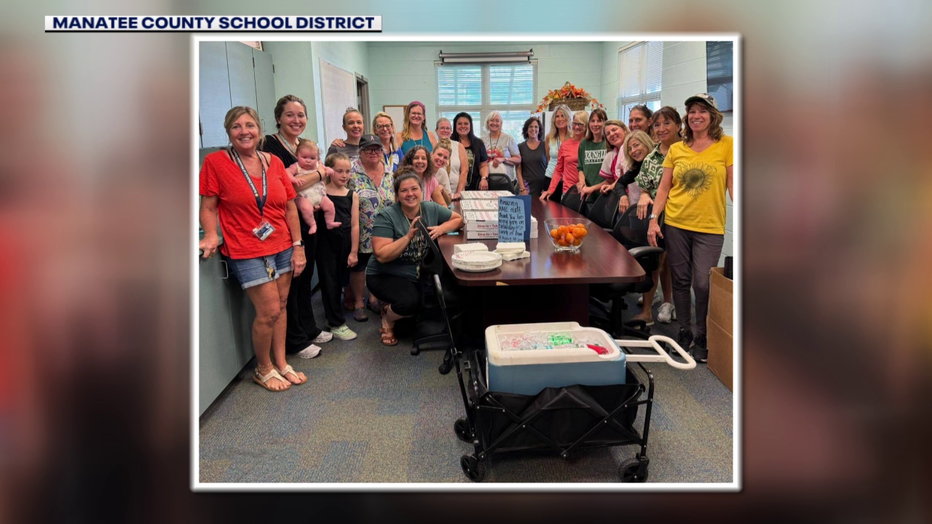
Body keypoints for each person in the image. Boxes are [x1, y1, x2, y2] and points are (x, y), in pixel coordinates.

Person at [199, 106, 307, 391]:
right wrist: (211, 234)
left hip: (282, 243)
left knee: (281, 306)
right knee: (269, 310)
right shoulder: (216, 162)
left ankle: (281, 363)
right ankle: (263, 367)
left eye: (249, 125)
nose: (244, 131)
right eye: (236, 126)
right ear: (228, 131)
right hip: (245, 248)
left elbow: (289, 206)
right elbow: (208, 206)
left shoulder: (273, 162)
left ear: (259, 130)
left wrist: (298, 246)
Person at [647, 94, 734, 363]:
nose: (696, 116)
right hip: (676, 224)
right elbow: (664, 188)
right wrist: (653, 218)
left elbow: (733, 183)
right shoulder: (677, 149)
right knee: (681, 281)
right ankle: (684, 332)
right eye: (691, 111)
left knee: (702, 283)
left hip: (709, 226)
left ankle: (703, 334)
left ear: (712, 116)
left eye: (702, 111)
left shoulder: (726, 145)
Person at [260, 95, 331, 359]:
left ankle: (308, 327)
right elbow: (287, 186)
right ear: (278, 118)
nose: (296, 120)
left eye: (300, 115)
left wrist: (319, 174)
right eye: (290, 115)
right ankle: (295, 340)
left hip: (307, 222)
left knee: (305, 278)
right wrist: (321, 174)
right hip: (286, 224)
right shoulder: (270, 145)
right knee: (291, 283)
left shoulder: (302, 145)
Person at [366, 170, 464, 346]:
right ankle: (387, 316)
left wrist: (441, 228)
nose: (410, 194)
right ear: (397, 195)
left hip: (414, 273)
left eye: (414, 189)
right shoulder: (386, 216)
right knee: (409, 303)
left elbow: (458, 220)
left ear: (421, 190)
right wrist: (407, 237)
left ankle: (400, 310)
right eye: (404, 190)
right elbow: (381, 256)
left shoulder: (429, 207)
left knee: (407, 329)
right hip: (385, 274)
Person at [634, 106, 684, 325]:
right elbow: (645, 185)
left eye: (667, 123)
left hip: (682, 216)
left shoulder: (688, 151)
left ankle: (668, 302)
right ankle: (647, 312)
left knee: (673, 264)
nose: (661, 129)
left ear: (678, 125)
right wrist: (644, 195)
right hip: (656, 216)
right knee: (654, 262)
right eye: (657, 125)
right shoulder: (651, 158)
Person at [346, 134, 394, 321]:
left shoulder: (389, 170)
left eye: (377, 149)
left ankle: (374, 298)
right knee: (359, 267)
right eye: (369, 149)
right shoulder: (352, 172)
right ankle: (359, 302)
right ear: (361, 152)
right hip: (361, 229)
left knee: (382, 264)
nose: (374, 153)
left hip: (386, 230)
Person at [315, 153, 359, 340]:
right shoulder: (321, 192)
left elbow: (356, 225)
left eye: (347, 171)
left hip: (346, 242)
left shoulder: (352, 195)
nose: (344, 175)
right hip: (325, 243)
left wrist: (354, 251)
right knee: (329, 281)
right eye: (339, 171)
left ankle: (333, 313)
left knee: (341, 280)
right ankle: (336, 323)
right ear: (329, 170)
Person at [288, 139, 340, 235]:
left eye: (312, 158)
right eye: (304, 157)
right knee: (306, 208)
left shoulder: (318, 165)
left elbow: (327, 169)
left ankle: (329, 222)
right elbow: (286, 173)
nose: (308, 161)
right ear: (297, 155)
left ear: (317, 158)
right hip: (303, 196)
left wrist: (329, 170)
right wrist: (293, 179)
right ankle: (312, 224)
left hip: (319, 195)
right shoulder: (296, 166)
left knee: (330, 205)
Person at [539, 111, 586, 202]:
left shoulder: (590, 144)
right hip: (569, 191)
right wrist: (551, 189)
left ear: (586, 125)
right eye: (575, 123)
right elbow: (558, 169)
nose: (576, 127)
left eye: (580, 124)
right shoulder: (565, 145)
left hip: (587, 191)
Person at [482, 111, 524, 193]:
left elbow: (518, 159)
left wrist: (504, 159)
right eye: (491, 120)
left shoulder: (508, 138)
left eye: (497, 121)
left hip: (507, 182)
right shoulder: (481, 140)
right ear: (487, 123)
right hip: (488, 182)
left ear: (501, 124)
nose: (494, 123)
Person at [452, 112, 490, 196]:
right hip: (452, 188)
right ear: (455, 126)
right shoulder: (449, 142)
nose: (463, 126)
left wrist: (484, 178)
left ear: (470, 126)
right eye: (459, 124)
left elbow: (483, 165)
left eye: (466, 124)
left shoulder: (478, 143)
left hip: (473, 188)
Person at [577, 108, 609, 202]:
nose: (595, 124)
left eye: (599, 121)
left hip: (605, 194)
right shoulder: (584, 143)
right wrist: (582, 183)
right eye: (592, 121)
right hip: (587, 195)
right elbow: (580, 168)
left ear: (605, 123)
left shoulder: (609, 143)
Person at [543, 104, 573, 202]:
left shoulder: (574, 137)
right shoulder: (549, 137)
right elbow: (548, 158)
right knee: (550, 210)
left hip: (569, 180)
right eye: (557, 116)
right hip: (551, 178)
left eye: (562, 115)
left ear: (568, 118)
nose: (559, 119)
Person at [517, 116, 548, 197]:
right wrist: (522, 188)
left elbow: (550, 166)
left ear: (539, 129)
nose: (533, 129)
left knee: (541, 209)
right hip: (526, 188)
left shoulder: (545, 145)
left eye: (536, 127)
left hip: (543, 188)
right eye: (530, 126)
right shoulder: (520, 147)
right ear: (526, 130)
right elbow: (518, 169)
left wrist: (548, 188)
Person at [435, 117, 468, 193]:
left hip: (456, 191)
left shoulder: (459, 146)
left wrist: (459, 192)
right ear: (436, 131)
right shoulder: (433, 146)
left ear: (451, 131)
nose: (445, 130)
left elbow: (464, 171)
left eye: (448, 128)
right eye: (442, 128)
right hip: (437, 191)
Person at [597, 119, 630, 194]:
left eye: (614, 130)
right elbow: (610, 181)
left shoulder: (634, 150)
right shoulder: (610, 156)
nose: (611, 134)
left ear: (624, 130)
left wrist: (612, 186)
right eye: (608, 133)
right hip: (620, 197)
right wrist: (608, 186)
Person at [430, 138, 455, 205]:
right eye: (439, 155)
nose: (441, 159)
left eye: (445, 157)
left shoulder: (443, 173)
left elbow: (449, 201)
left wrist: (442, 189)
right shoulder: (422, 169)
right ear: (432, 154)